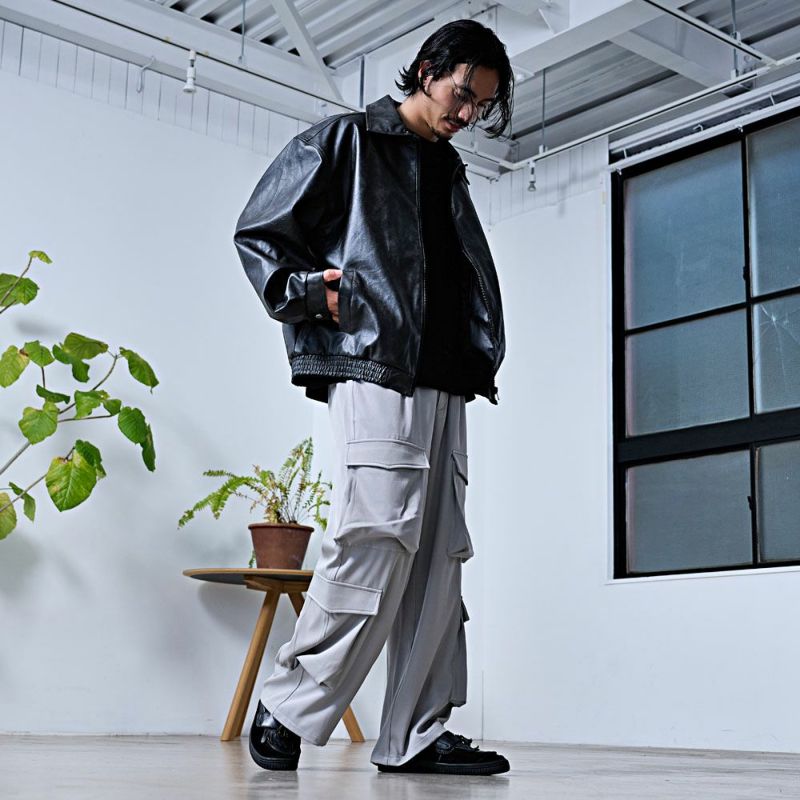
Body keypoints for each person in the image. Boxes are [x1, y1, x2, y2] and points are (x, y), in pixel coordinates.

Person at [233, 18, 512, 776]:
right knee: (375, 534)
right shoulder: (347, 141)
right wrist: (307, 293)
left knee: (440, 557)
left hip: (448, 378)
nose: (467, 114)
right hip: (376, 365)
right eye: (463, 94)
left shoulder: (448, 171)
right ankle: (290, 702)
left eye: (481, 106)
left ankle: (414, 732)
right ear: (427, 69)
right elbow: (260, 234)